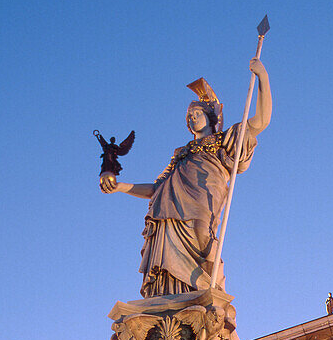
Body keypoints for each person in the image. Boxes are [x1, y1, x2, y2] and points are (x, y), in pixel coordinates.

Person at [99, 60, 271, 296]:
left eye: (196, 113)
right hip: (168, 210)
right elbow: (156, 188)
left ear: (209, 117)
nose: (191, 118)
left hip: (202, 202)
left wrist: (262, 77)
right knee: (166, 259)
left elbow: (261, 120)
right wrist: (120, 187)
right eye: (188, 115)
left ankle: (207, 293)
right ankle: (169, 297)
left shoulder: (225, 141)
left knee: (203, 241)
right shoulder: (180, 153)